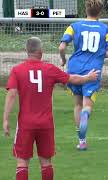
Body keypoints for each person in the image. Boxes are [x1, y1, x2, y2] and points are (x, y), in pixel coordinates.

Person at [3, 37, 99, 180]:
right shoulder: (49, 69)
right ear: (41, 52)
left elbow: (11, 94)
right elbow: (72, 78)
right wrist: (88, 78)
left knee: (22, 163)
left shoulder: (17, 70)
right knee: (46, 162)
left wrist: (5, 119)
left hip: (25, 123)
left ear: (26, 51)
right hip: (46, 123)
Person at [59, 0, 108, 150]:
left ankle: (82, 141)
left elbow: (62, 47)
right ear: (100, 12)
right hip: (93, 70)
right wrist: (99, 55)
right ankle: (87, 112)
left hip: (74, 69)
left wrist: (63, 59)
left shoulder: (74, 26)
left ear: (86, 9)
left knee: (77, 104)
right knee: (87, 105)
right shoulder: (106, 29)